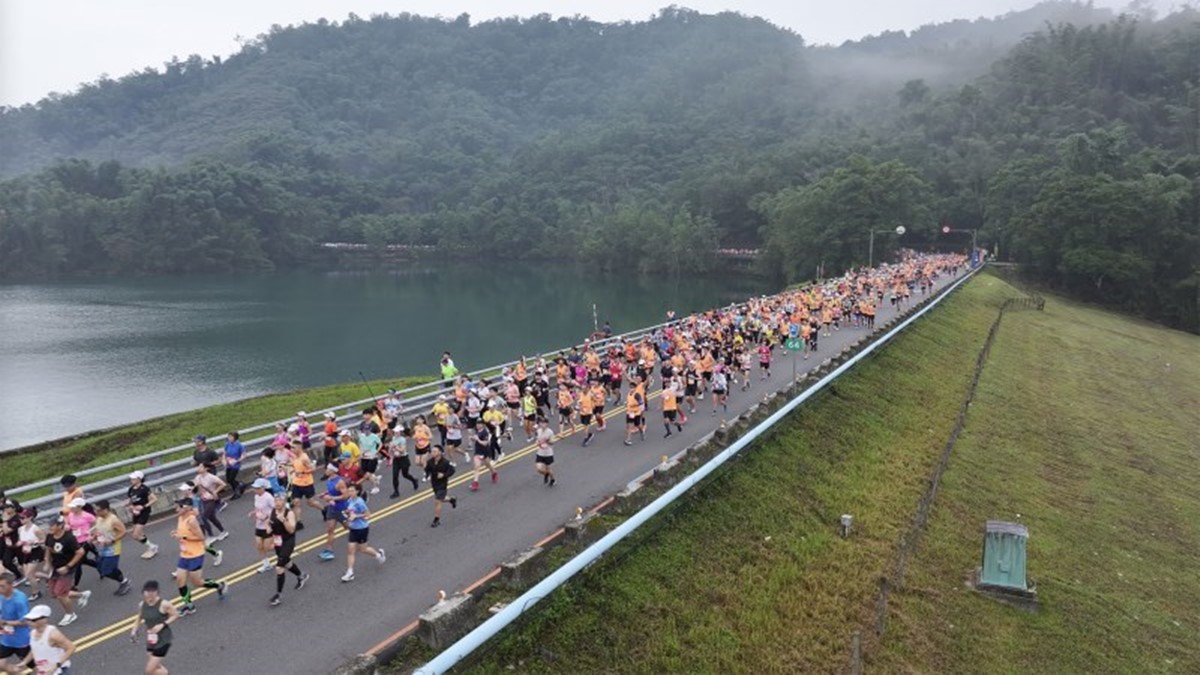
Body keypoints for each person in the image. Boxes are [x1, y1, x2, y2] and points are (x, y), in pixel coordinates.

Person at [170, 498, 226, 616]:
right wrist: (177, 533)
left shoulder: (191, 521)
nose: (175, 510)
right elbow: (183, 533)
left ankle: (219, 585)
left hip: (196, 555)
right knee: (180, 581)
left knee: (197, 582)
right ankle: (189, 606)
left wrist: (183, 537)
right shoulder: (180, 518)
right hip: (184, 554)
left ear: (185, 508)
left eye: (178, 507)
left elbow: (200, 537)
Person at [42, 517, 89, 627]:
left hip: (67, 569)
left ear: (60, 526)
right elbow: (48, 549)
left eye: (52, 525)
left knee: (60, 594)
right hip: (56, 568)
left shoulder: (69, 538)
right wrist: (47, 562)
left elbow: (80, 552)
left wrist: (68, 566)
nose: (50, 528)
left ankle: (70, 614)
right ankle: (81, 595)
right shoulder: (49, 536)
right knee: (53, 593)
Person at [129, 579, 178, 675]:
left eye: (153, 591)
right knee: (155, 666)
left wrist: (162, 624)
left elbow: (175, 614)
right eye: (148, 591)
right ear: (143, 592)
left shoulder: (164, 604)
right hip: (151, 639)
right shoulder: (142, 605)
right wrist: (134, 631)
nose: (150, 594)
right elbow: (139, 618)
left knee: (149, 671)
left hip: (163, 640)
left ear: (157, 592)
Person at [267, 493, 308, 605]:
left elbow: (291, 530)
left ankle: (278, 595)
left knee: (279, 567)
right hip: (277, 542)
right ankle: (301, 576)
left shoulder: (289, 513)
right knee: (287, 563)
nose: (277, 503)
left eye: (279, 501)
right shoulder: (272, 512)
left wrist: (284, 520)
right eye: (275, 501)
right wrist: (268, 529)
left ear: (284, 502)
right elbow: (269, 527)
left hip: (288, 541)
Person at [340, 485, 385, 582]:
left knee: (363, 549)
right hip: (353, 528)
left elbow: (368, 514)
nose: (350, 492)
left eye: (352, 491)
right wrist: (346, 513)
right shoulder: (349, 500)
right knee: (350, 551)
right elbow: (350, 511)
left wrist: (356, 516)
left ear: (357, 491)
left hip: (362, 528)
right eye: (349, 490)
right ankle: (350, 572)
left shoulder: (360, 502)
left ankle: (378, 555)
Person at [91, 500, 132, 596]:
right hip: (102, 548)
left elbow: (123, 531)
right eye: (96, 510)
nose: (97, 513)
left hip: (112, 550)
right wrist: (94, 537)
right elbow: (99, 529)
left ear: (106, 510)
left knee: (107, 571)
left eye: (99, 510)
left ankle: (124, 581)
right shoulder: (99, 518)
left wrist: (112, 541)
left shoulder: (113, 520)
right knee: (101, 568)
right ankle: (122, 580)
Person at [19, 605, 73, 675]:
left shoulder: (53, 634)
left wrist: (56, 666)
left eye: (33, 620)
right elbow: (34, 649)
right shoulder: (32, 633)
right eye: (28, 619)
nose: (29, 622)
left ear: (44, 620)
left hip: (59, 671)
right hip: (44, 671)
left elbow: (71, 648)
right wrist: (25, 662)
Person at [0, 572, 30, 674]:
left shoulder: (19, 600)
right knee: (1, 664)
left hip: (22, 640)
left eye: (2, 586)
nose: (0, 588)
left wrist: (5, 622)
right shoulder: (1, 596)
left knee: (37, 666)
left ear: (11, 585)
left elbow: (25, 621)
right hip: (6, 638)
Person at [318, 464, 349, 561]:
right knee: (330, 529)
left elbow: (346, 496)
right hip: (332, 508)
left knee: (349, 527)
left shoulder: (339, 482)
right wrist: (325, 493)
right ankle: (329, 551)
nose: (326, 470)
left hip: (342, 509)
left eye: (328, 469)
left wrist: (332, 498)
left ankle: (360, 538)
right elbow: (331, 491)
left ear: (333, 471)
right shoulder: (329, 480)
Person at [125, 472, 159, 559]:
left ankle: (152, 546)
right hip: (135, 512)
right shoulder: (131, 489)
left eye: (133, 479)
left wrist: (143, 506)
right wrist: (129, 505)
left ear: (139, 479)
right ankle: (150, 547)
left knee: (135, 535)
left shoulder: (144, 489)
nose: (131, 480)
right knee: (138, 533)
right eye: (131, 479)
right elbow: (130, 500)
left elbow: (154, 499)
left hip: (144, 512)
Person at [192, 464, 228, 545]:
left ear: (206, 468)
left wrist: (215, 491)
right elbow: (194, 487)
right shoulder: (198, 477)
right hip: (202, 500)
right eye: (198, 467)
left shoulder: (211, 477)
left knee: (203, 517)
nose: (199, 468)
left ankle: (211, 536)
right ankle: (223, 531)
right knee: (211, 517)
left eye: (201, 467)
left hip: (210, 499)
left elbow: (223, 484)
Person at [425, 446, 458, 528]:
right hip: (434, 483)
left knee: (437, 501)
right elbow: (427, 470)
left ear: (439, 452)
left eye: (435, 451)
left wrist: (444, 475)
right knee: (441, 498)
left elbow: (452, 470)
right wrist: (427, 476)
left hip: (442, 484)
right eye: (432, 451)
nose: (432, 453)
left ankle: (436, 520)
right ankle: (451, 499)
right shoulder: (430, 462)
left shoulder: (446, 462)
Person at [16, 510, 44, 602]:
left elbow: (44, 540)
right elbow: (20, 540)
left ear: (30, 518)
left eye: (23, 518)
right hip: (25, 552)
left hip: (35, 552)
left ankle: (35, 592)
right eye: (20, 518)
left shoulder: (36, 529)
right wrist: (20, 543)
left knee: (28, 574)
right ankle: (48, 577)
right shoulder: (20, 529)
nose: (21, 520)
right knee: (29, 575)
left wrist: (34, 542)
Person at [386, 422, 420, 498]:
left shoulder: (402, 440)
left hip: (403, 458)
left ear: (400, 432)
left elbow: (403, 450)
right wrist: (390, 449)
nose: (395, 433)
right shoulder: (393, 438)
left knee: (405, 474)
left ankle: (414, 480)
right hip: (396, 459)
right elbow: (390, 451)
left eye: (397, 432)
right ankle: (396, 491)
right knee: (395, 476)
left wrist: (395, 446)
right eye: (395, 431)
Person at [249, 479, 275, 574]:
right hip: (259, 524)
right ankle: (266, 564)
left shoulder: (268, 497)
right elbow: (257, 507)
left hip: (267, 525)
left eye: (258, 488)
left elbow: (275, 509)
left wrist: (268, 518)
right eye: (255, 488)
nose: (255, 490)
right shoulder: (256, 496)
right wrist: (253, 512)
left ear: (263, 488)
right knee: (259, 546)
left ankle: (282, 549)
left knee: (267, 547)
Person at [469, 421, 498, 492]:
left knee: (488, 465)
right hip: (478, 452)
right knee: (477, 467)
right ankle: (475, 483)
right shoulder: (476, 431)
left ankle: (494, 473)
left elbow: (485, 443)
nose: (478, 425)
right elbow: (475, 439)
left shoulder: (485, 433)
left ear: (483, 425)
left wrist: (477, 440)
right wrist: (472, 438)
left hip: (485, 452)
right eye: (477, 424)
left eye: (479, 424)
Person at [534, 417, 557, 487]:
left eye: (543, 423)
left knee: (549, 469)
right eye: (541, 423)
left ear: (547, 424)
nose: (542, 424)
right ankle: (546, 474)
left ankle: (553, 479)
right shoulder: (538, 431)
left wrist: (547, 440)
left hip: (548, 453)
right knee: (539, 468)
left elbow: (553, 442)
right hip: (540, 452)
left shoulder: (550, 432)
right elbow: (537, 439)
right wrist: (537, 442)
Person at [222, 431, 245, 499]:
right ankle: (240, 485)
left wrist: (237, 461)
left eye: (231, 437)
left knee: (231, 479)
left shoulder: (239, 445)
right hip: (228, 464)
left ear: (235, 438)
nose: (229, 438)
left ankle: (236, 492)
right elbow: (224, 453)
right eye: (228, 436)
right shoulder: (227, 444)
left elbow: (244, 455)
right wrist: (224, 460)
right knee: (228, 480)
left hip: (235, 465)